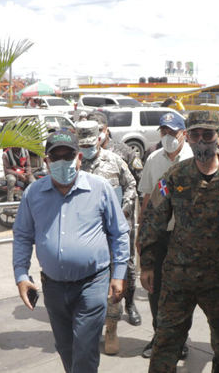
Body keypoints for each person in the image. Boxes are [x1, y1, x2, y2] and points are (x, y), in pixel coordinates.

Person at [139, 111, 219, 373]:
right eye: (195, 134)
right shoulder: (174, 176)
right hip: (179, 277)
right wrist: (147, 264)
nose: (201, 140)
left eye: (208, 134)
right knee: (165, 343)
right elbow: (152, 220)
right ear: (188, 138)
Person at [13, 128, 130, 373]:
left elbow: (119, 233)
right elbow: (23, 236)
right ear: (46, 161)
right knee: (66, 348)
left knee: (85, 352)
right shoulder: (33, 193)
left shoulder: (100, 188)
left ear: (79, 158)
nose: (63, 162)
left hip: (92, 283)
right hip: (53, 286)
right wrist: (22, 276)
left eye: (69, 156)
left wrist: (118, 274)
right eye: (56, 157)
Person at [75, 120, 137, 354]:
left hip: (111, 233)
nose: (87, 148)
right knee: (86, 283)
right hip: (84, 235)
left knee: (115, 281)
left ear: (99, 138)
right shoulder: (73, 163)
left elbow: (131, 185)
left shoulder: (114, 160)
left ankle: (111, 329)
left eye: (91, 143)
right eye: (83, 145)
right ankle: (89, 329)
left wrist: (125, 209)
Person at [136, 112, 193, 360]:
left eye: (173, 132)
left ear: (184, 134)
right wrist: (141, 233)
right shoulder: (153, 159)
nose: (168, 137)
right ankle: (160, 335)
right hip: (159, 235)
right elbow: (147, 198)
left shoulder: (195, 157)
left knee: (183, 290)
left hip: (187, 237)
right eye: (164, 132)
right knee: (155, 288)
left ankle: (180, 340)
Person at [87, 111, 143, 326]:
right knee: (99, 265)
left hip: (123, 221)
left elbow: (136, 183)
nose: (96, 135)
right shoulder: (82, 153)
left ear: (106, 129)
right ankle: (104, 306)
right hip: (94, 225)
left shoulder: (124, 152)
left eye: (99, 130)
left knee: (126, 264)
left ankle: (129, 304)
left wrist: (125, 208)